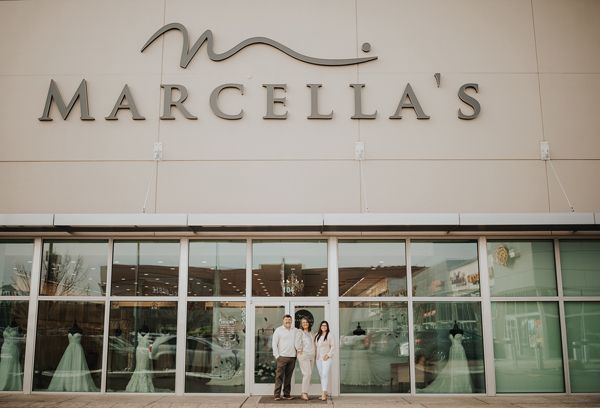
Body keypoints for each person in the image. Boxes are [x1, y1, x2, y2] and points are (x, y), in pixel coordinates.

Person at [271, 314, 297, 400]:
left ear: (291, 321)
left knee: (288, 377)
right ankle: (277, 395)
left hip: (292, 357)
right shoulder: (278, 330)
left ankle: (286, 394)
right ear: (283, 321)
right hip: (282, 357)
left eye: (289, 320)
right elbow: (274, 344)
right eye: (286, 320)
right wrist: (277, 356)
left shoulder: (295, 330)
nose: (288, 321)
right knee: (279, 376)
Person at [315, 320, 335, 401]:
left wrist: (328, 355)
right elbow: (315, 346)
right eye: (322, 325)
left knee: (324, 374)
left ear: (327, 327)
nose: (324, 327)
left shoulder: (330, 335)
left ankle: (323, 393)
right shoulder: (317, 335)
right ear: (320, 326)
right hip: (318, 358)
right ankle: (325, 392)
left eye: (325, 325)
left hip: (326, 358)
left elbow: (333, 346)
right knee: (321, 375)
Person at [296, 317, 315, 401]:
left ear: (309, 323)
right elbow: (297, 342)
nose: (305, 324)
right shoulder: (300, 332)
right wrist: (299, 350)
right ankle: (304, 393)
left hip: (311, 355)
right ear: (301, 324)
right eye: (303, 322)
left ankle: (305, 392)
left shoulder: (311, 333)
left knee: (309, 374)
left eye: (306, 322)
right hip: (304, 355)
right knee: (307, 374)